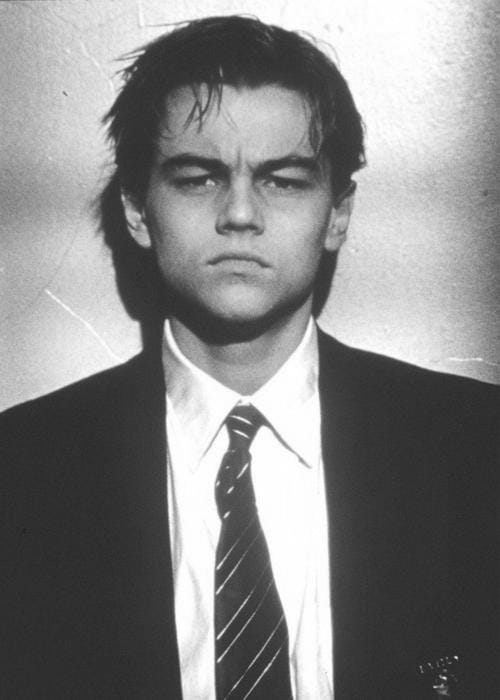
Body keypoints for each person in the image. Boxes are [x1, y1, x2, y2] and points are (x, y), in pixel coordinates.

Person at [0, 15, 497, 700]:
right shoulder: (21, 468)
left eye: (284, 180)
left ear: (338, 213)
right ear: (137, 210)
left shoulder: (477, 446)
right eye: (197, 178)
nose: (240, 214)